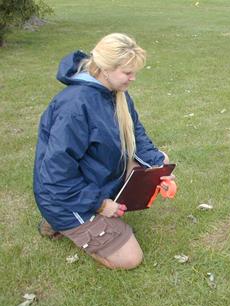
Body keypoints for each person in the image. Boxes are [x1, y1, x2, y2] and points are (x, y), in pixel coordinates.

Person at [33, 33, 173, 269]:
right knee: (130, 259)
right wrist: (100, 205)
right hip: (64, 197)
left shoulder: (116, 93)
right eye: (127, 73)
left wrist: (159, 166)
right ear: (105, 69)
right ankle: (63, 224)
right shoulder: (74, 106)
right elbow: (56, 176)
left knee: (158, 162)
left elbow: (136, 134)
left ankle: (92, 225)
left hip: (92, 179)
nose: (133, 78)